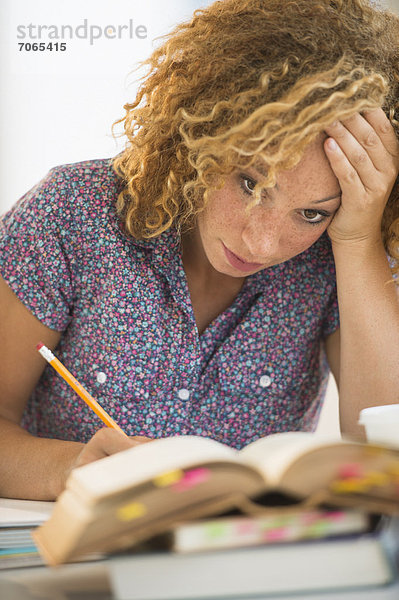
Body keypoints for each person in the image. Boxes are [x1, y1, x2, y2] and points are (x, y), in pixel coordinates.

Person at [1, 0, 399, 501]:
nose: (260, 242)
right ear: (201, 139)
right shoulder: (73, 214)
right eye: (250, 183)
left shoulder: (342, 252)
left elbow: (383, 455)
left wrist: (360, 241)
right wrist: (71, 469)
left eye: (312, 213)